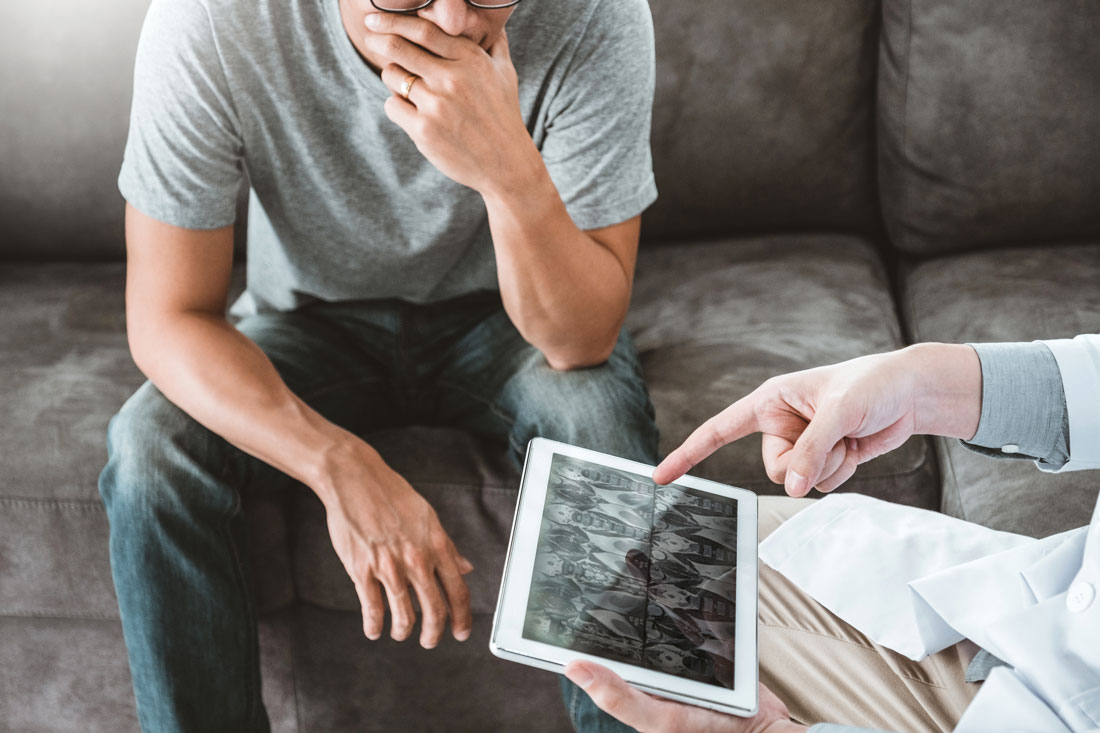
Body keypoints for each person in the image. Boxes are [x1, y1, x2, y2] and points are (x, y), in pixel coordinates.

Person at [98, 0, 659, 729]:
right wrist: (336, 463)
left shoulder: (598, 14)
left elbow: (580, 341)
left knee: (599, 423)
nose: (454, 20)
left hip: (510, 319)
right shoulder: (212, 17)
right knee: (150, 448)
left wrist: (507, 170)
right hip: (310, 320)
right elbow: (167, 317)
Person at [565, 337, 1100, 732]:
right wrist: (918, 382)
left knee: (632, 642)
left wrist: (769, 732)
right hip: (1047, 617)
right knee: (664, 543)